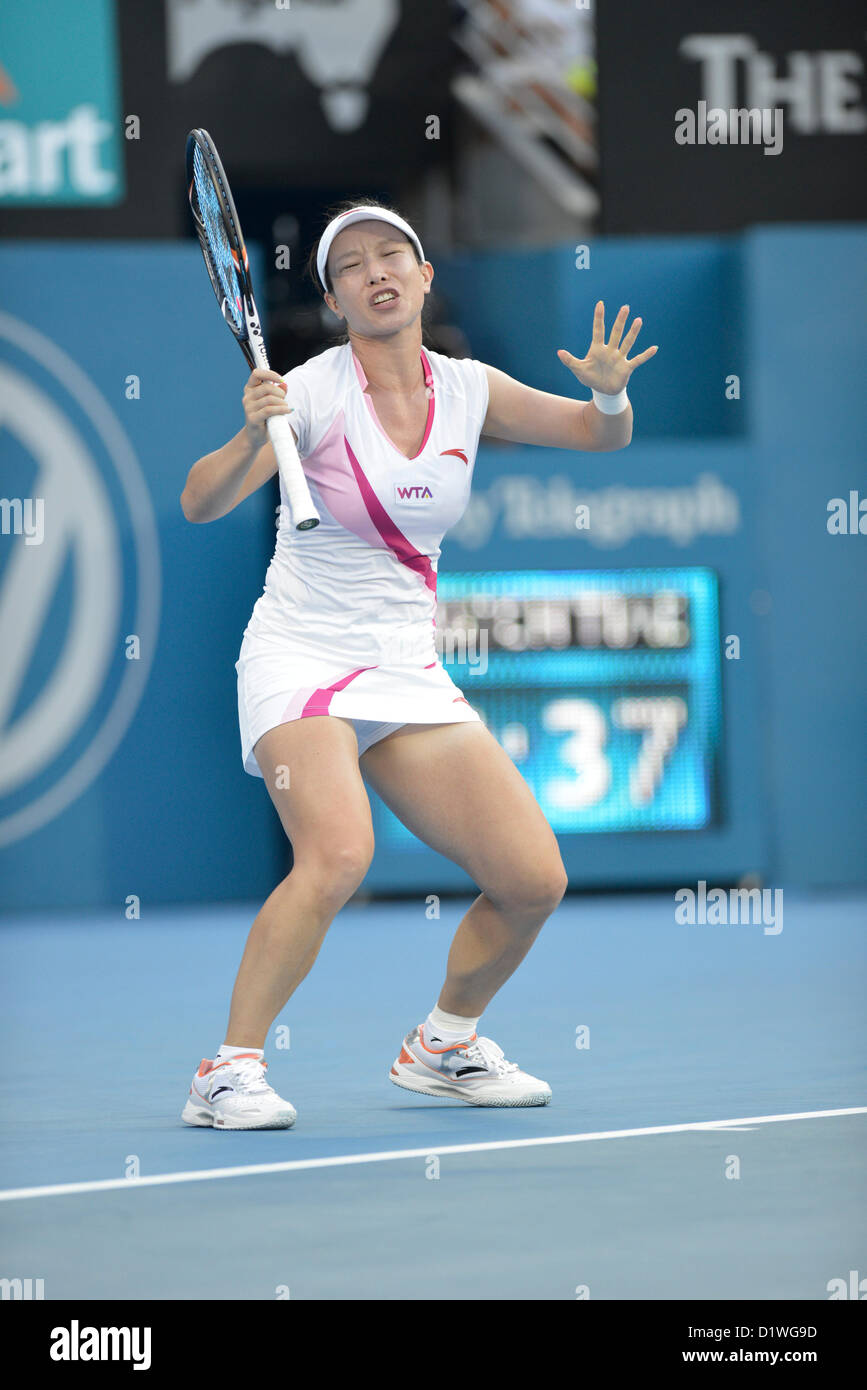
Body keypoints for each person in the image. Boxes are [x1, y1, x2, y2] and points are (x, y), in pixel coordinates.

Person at [179, 199, 657, 1129]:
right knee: (338, 854)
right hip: (300, 654)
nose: (376, 272)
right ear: (334, 298)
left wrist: (607, 391)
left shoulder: (469, 388)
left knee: (531, 880)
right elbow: (201, 503)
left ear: (425, 274)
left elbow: (602, 435)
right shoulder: (310, 392)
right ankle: (226, 1072)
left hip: (404, 666)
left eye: (392, 254)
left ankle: (443, 1045)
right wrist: (251, 435)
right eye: (351, 265)